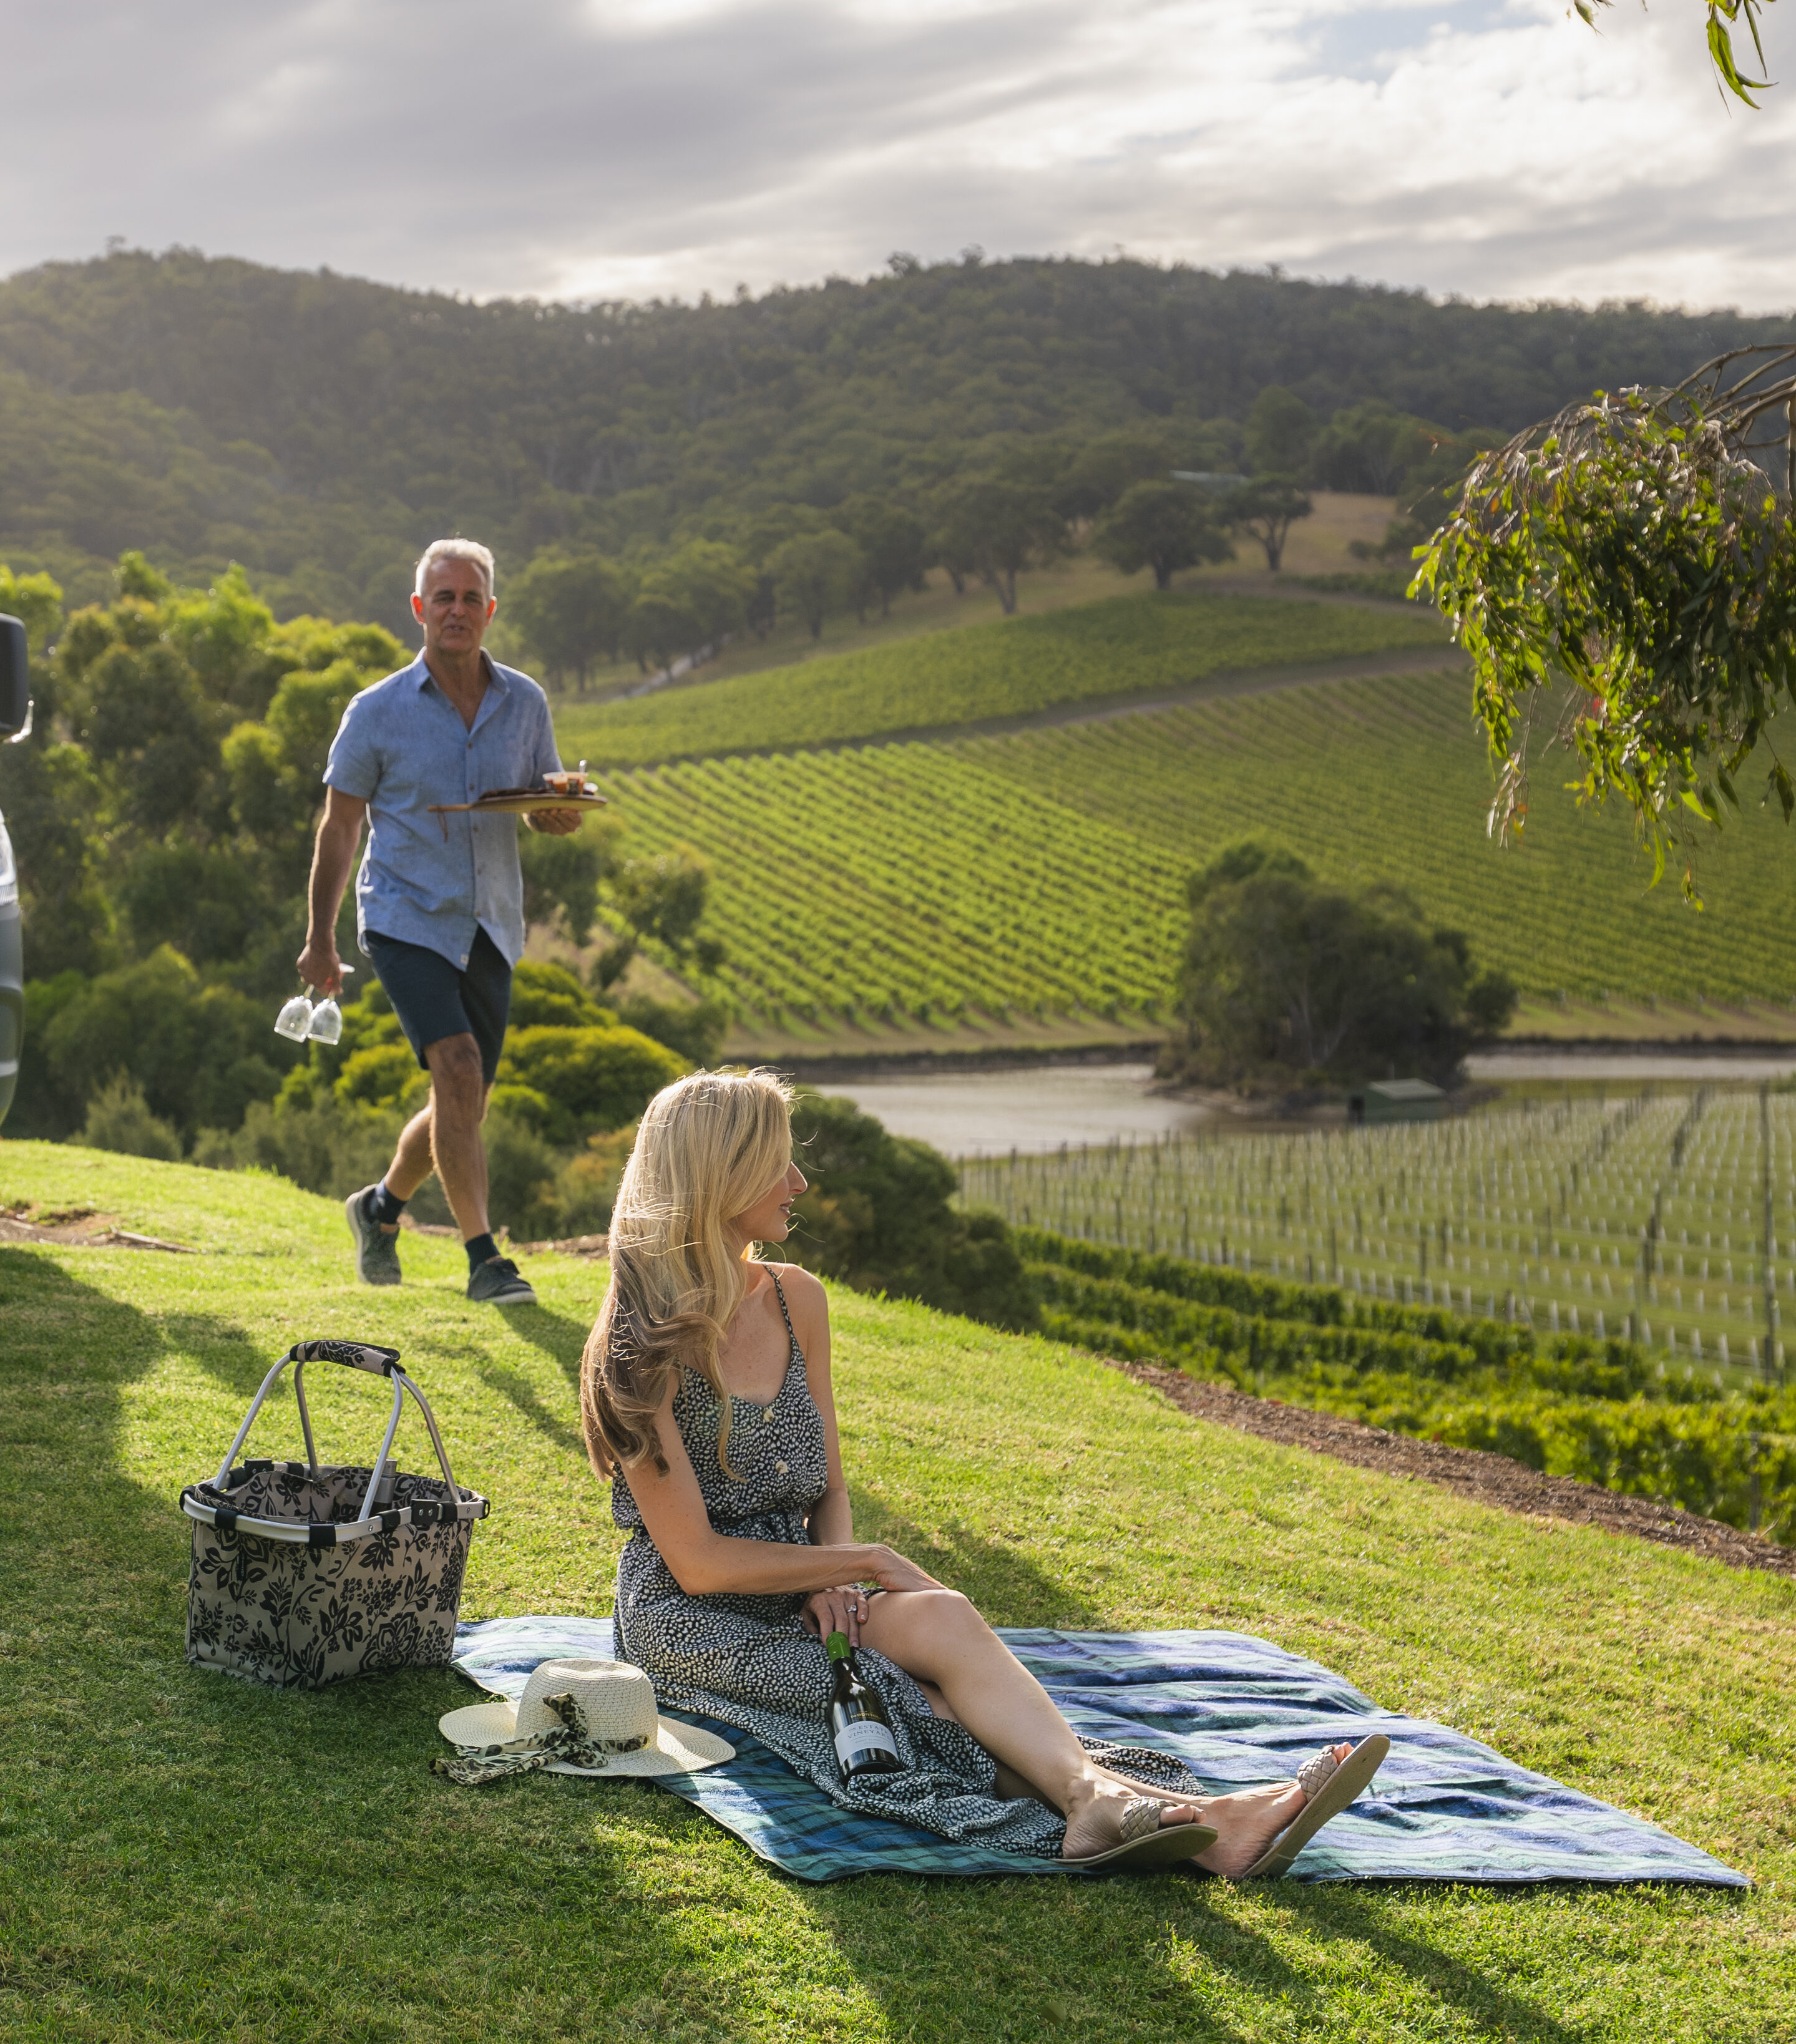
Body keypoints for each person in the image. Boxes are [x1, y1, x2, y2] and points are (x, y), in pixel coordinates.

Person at [582, 1068, 1391, 1875]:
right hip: (689, 1620)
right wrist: (863, 1564)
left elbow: (828, 1481)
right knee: (921, 1702)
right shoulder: (636, 1345)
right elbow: (698, 1564)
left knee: (945, 1618)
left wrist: (833, 1576)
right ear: (719, 1176)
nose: (799, 1183)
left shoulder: (800, 1302)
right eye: (778, 1165)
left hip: (802, 1588)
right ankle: (1197, 1819)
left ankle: (1125, 1811)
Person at [298, 538, 587, 1305]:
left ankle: (380, 1207)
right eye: (443, 597)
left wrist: (555, 816)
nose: (457, 609)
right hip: (404, 918)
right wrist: (320, 937)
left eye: (471, 598)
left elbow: (537, 800)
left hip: (491, 922)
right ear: (419, 608)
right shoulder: (377, 711)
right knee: (455, 1070)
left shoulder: (525, 702)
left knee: (462, 1102)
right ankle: (485, 1259)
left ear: (489, 611)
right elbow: (338, 829)